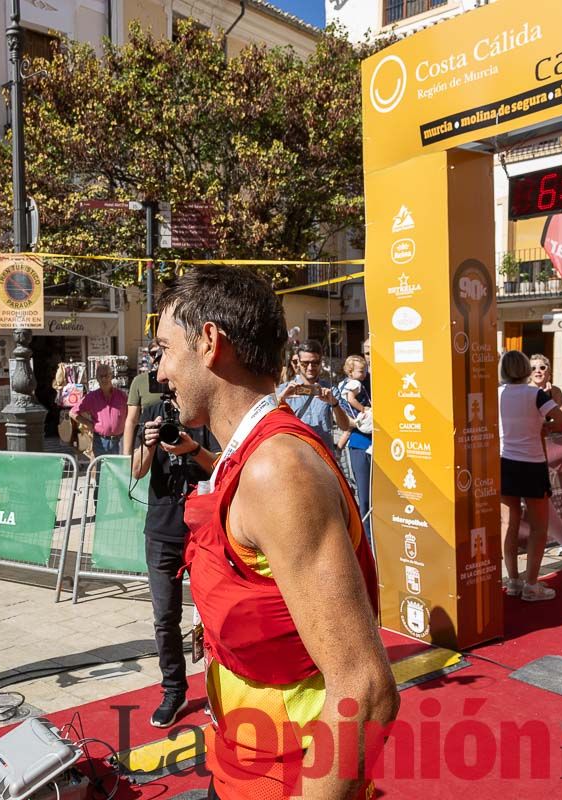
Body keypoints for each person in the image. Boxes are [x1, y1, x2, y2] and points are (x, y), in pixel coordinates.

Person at [154, 266, 398, 800]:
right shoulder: (249, 453)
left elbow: (366, 690)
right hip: (241, 764)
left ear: (210, 342)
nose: (160, 372)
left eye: (165, 350)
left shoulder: (276, 469)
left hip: (289, 781)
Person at [130, 398, 218, 728]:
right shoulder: (154, 413)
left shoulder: (205, 412)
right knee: (165, 617)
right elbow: (137, 470)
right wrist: (149, 443)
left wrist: (193, 448)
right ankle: (173, 690)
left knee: (215, 615)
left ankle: (219, 691)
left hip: (204, 531)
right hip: (161, 531)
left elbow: (220, 466)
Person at [498, 350, 562, 602]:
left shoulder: (497, 394)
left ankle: (514, 582)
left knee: (508, 525)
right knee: (539, 527)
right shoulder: (536, 394)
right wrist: (543, 425)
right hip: (532, 465)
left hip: (504, 463)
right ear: (526, 370)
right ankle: (530, 584)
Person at [276, 339, 351, 453]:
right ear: (297, 363)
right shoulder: (283, 390)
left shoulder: (330, 389)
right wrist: (280, 400)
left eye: (315, 363)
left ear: (321, 362)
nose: (310, 368)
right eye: (305, 363)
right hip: (294, 454)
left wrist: (335, 404)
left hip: (323, 455)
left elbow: (345, 426)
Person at [336, 355, 373, 540]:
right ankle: (366, 537)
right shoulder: (355, 385)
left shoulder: (364, 383)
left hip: (368, 442)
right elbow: (345, 416)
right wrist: (364, 410)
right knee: (364, 496)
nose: (365, 372)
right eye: (367, 353)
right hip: (360, 444)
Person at [71, 363, 127, 457]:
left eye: (107, 375)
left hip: (120, 441)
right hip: (101, 441)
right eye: (101, 376)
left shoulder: (122, 396)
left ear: (111, 376)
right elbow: (73, 412)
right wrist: (88, 423)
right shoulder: (91, 397)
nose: (104, 379)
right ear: (97, 378)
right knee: (101, 469)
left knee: (118, 469)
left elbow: (131, 415)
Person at [123, 343, 164, 455]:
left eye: (161, 352)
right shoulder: (139, 381)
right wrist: (127, 455)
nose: (157, 357)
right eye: (153, 353)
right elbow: (132, 420)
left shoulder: (178, 380)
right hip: (146, 440)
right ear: (149, 357)